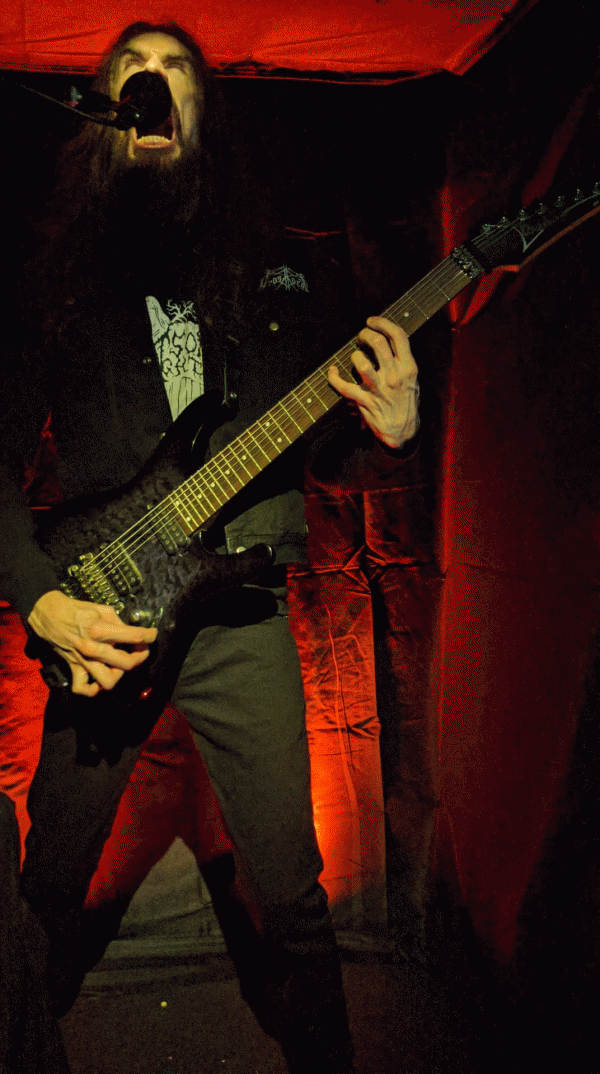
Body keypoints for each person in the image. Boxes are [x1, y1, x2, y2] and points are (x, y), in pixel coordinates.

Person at [0, 21, 419, 1073]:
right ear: (103, 116)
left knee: (294, 885)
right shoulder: (56, 280)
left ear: (204, 110)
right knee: (47, 882)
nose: (152, 84)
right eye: (131, 72)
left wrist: (392, 430)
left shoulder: (275, 272)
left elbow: (322, 455)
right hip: (103, 609)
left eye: (175, 70)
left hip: (240, 609)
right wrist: (42, 599)